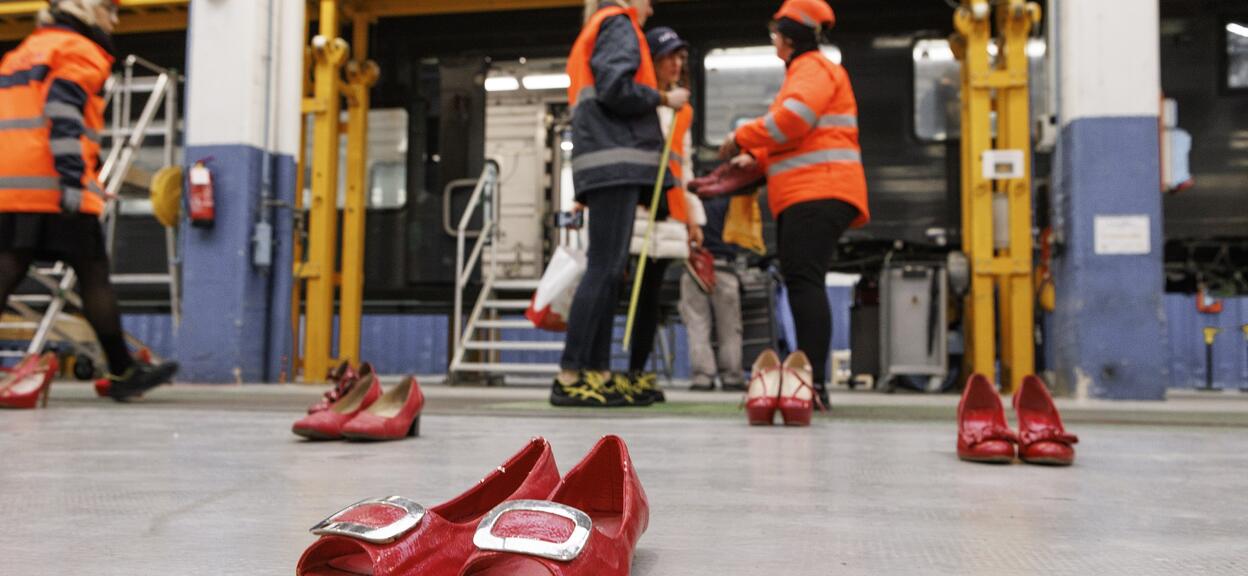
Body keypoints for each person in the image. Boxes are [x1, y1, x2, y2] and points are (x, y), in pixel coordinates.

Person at [0, 0, 178, 401]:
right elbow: (63, 111)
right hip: (53, 185)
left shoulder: (21, 52)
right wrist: (72, 179)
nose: (114, 19)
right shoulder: (80, 50)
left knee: (8, 268)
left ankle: (122, 368)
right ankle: (122, 371)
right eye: (109, 9)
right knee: (94, 272)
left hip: (12, 184)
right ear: (85, 8)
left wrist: (89, 174)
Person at [718, 0, 869, 408]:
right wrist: (758, 159)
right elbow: (797, 136)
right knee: (804, 281)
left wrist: (741, 137)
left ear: (787, 37)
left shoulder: (812, 70)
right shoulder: (806, 73)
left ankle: (812, 384)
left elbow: (794, 119)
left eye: (776, 34)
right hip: (810, 192)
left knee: (805, 283)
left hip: (816, 191)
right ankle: (811, 381)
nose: (774, 42)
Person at [553, 0, 689, 407]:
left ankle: (595, 372)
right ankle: (571, 373)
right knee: (604, 269)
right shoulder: (619, 24)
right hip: (616, 161)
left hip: (606, 160)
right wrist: (664, 100)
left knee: (608, 270)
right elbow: (616, 87)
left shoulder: (602, 25)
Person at [622, 25, 705, 398]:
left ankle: (638, 373)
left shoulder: (683, 111)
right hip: (635, 208)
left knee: (650, 297)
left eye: (680, 57)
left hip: (668, 212)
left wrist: (693, 218)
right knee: (627, 295)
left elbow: (683, 166)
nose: (676, 63)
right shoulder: (639, 102)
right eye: (668, 56)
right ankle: (610, 373)